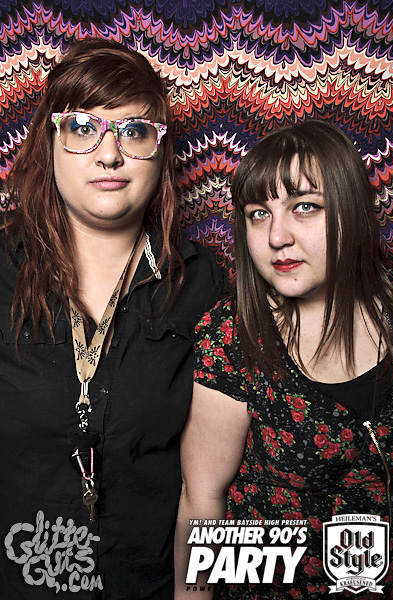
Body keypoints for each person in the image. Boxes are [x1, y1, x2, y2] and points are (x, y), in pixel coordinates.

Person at [0, 38, 226, 599]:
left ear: (160, 151)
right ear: (49, 143)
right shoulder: (2, 268)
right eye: (83, 128)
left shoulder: (203, 284)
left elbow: (208, 492)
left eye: (135, 131)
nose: (109, 155)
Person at [175, 120, 393, 599]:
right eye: (258, 214)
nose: (277, 236)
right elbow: (202, 499)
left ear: (351, 210)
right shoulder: (233, 337)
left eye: (305, 207)